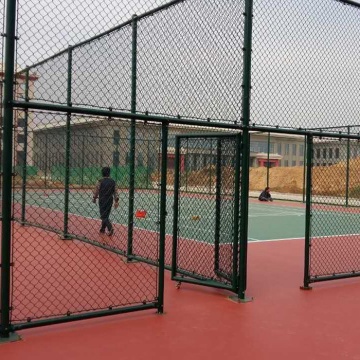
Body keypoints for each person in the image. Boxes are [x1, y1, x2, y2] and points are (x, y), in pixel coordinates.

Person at [93, 167, 119, 235]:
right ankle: (102, 229)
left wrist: (94, 198)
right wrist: (116, 201)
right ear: (109, 173)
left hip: (102, 199)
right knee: (106, 215)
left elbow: (96, 191)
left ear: (102, 173)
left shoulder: (100, 181)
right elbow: (115, 192)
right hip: (110, 200)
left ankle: (110, 228)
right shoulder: (113, 181)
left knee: (103, 216)